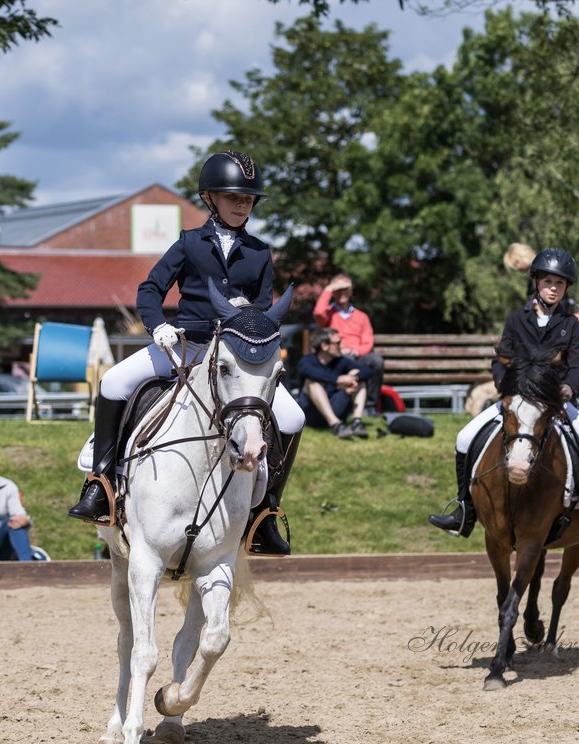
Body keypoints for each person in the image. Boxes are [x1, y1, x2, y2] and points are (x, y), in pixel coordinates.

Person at [67, 150, 305, 556]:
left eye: (248, 200)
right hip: (186, 346)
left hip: (232, 357)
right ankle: (101, 485)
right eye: (234, 198)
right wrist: (158, 325)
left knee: (293, 416)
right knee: (113, 382)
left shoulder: (261, 253)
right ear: (210, 198)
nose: (242, 205)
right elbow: (149, 290)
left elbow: (263, 312)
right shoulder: (190, 244)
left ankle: (263, 513)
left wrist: (251, 319)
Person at [427, 248, 579, 549]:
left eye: (559, 284)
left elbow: (575, 367)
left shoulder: (570, 324)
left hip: (555, 403)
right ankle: (464, 510)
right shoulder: (516, 320)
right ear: (536, 283)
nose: (553, 289)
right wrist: (504, 386)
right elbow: (500, 360)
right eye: (548, 282)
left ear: (566, 288)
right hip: (516, 401)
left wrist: (568, 390)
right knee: (464, 437)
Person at [312, 273, 385, 412]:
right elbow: (318, 312)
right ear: (333, 292)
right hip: (337, 356)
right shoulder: (328, 314)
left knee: (376, 361)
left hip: (357, 355)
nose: (342, 292)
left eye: (345, 288)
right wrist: (329, 288)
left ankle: (370, 406)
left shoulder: (362, 316)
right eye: (338, 289)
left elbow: (368, 342)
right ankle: (341, 405)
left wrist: (355, 350)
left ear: (351, 291)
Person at [297, 327, 375, 439]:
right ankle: (336, 425)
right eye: (337, 343)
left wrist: (354, 378)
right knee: (311, 382)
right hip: (312, 414)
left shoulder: (340, 361)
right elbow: (312, 373)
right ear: (324, 346)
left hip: (336, 407)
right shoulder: (307, 361)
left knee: (357, 375)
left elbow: (368, 370)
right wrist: (338, 380)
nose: (341, 346)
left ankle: (357, 423)